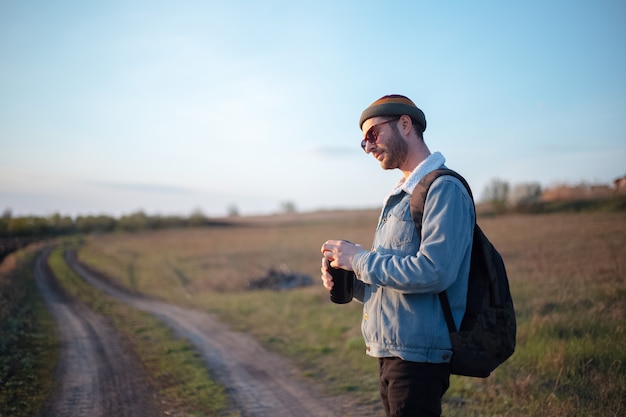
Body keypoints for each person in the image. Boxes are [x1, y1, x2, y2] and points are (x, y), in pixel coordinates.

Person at [320, 94, 475, 417]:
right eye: (363, 141)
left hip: (419, 358)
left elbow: (435, 272)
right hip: (390, 352)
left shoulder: (443, 188)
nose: (369, 146)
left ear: (405, 124)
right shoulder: (400, 196)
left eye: (373, 134)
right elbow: (400, 281)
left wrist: (360, 260)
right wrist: (352, 280)